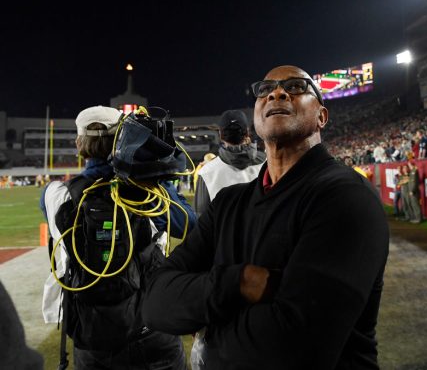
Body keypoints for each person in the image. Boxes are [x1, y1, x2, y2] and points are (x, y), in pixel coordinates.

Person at [143, 65, 390, 369]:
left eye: (297, 87)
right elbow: (155, 302)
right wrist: (239, 281)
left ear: (321, 117)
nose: (277, 92)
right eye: (265, 89)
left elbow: (293, 348)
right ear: (256, 118)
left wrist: (210, 335)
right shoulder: (228, 203)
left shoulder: (347, 197)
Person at [41, 105, 197, 370]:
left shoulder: (55, 194)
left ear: (79, 144)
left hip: (92, 336)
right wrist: (156, 172)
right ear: (124, 138)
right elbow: (188, 225)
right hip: (150, 330)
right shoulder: (148, 190)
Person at [194, 109, 266, 216]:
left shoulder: (206, 172)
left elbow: (201, 219)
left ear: (221, 134)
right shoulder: (270, 165)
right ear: (247, 133)